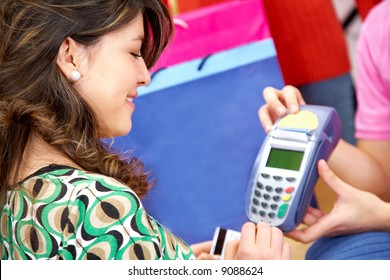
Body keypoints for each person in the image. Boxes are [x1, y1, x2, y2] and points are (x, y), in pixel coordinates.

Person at [0, 0, 290, 260]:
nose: (146, 77)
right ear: (70, 56)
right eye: (134, 52)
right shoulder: (98, 205)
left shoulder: (16, 190)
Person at [258, 0, 390, 259]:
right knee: (327, 252)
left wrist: (381, 216)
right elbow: (381, 180)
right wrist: (309, 125)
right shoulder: (379, 28)